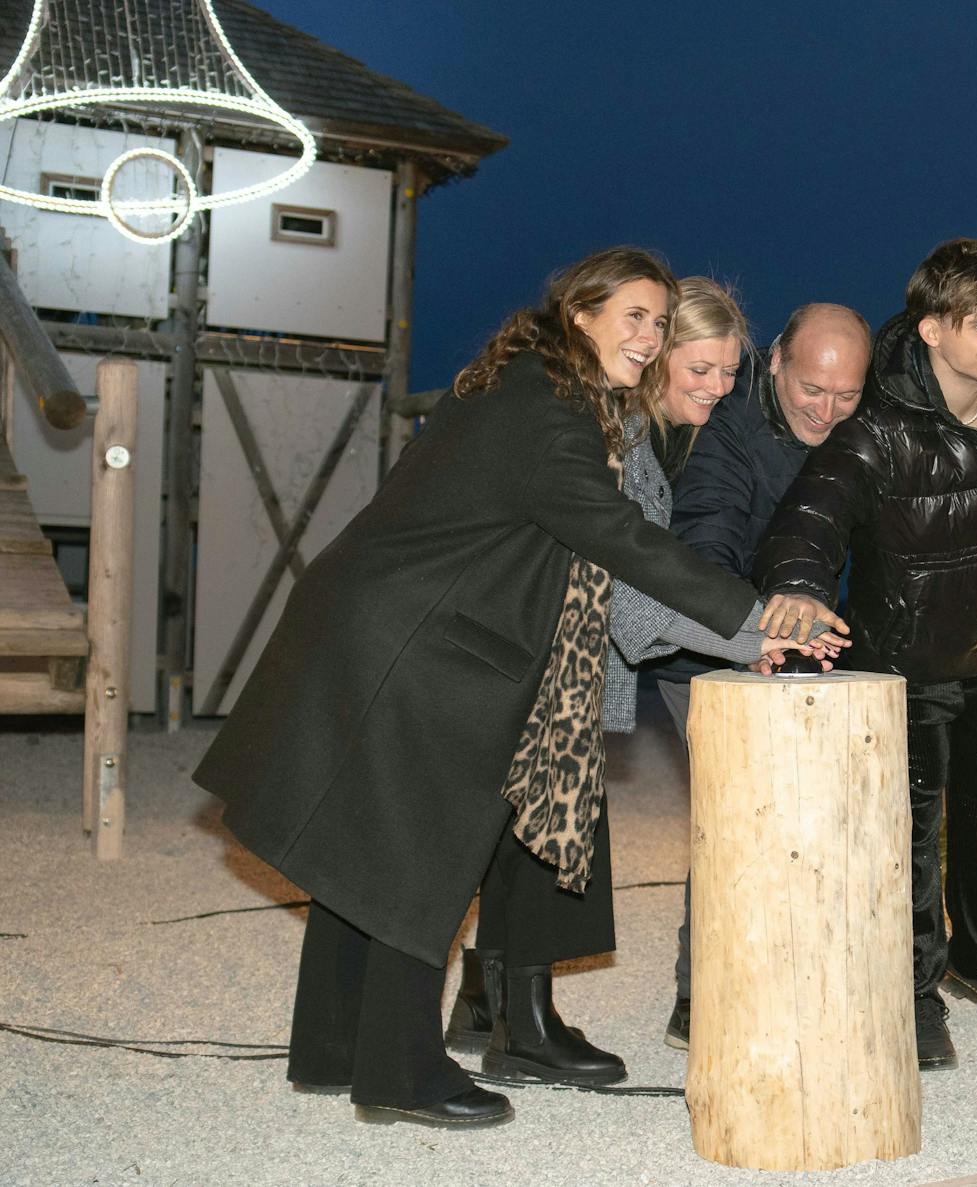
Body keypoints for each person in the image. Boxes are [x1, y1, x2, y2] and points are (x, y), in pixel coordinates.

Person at [192, 248, 840, 1130]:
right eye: (635, 317)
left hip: (390, 622)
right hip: (416, 640)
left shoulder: (544, 387)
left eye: (658, 320)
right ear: (581, 312)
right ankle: (401, 1072)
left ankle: (336, 1046)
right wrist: (755, 615)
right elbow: (619, 538)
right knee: (417, 862)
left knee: (365, 845)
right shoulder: (551, 406)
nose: (649, 337)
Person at [442, 280, 846, 1075]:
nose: (718, 389)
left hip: (541, 652)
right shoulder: (620, 441)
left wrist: (744, 632)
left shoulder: (648, 433)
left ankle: (486, 1005)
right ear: (654, 355)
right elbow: (637, 599)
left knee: (515, 831)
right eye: (700, 368)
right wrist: (749, 633)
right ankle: (522, 1030)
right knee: (543, 832)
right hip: (539, 659)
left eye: (730, 373)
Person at [755, 239, 977, 1071]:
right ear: (934, 328)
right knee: (913, 834)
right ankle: (912, 990)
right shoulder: (881, 422)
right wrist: (796, 582)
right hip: (908, 660)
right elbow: (811, 511)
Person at [648, 301, 871, 1048]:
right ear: (775, 362)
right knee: (735, 821)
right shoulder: (729, 432)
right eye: (813, 388)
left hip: (787, 647)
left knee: (795, 825)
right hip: (706, 651)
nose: (827, 409)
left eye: (847, 396)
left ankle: (784, 978)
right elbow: (706, 541)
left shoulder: (854, 435)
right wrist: (751, 630)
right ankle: (699, 999)